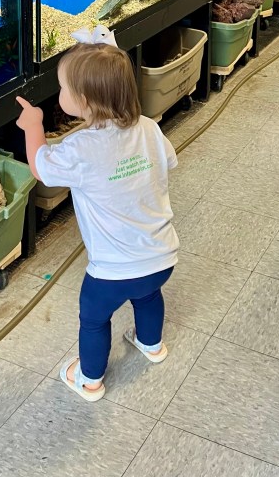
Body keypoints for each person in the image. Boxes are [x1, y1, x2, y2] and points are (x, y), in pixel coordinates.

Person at [16, 24, 179, 403]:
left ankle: (89, 380)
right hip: (160, 256)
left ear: (85, 101)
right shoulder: (149, 129)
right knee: (148, 295)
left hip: (111, 271)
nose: (60, 95)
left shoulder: (80, 148)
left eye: (64, 90)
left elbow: (41, 167)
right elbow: (168, 162)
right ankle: (151, 344)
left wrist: (33, 128)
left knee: (93, 318)